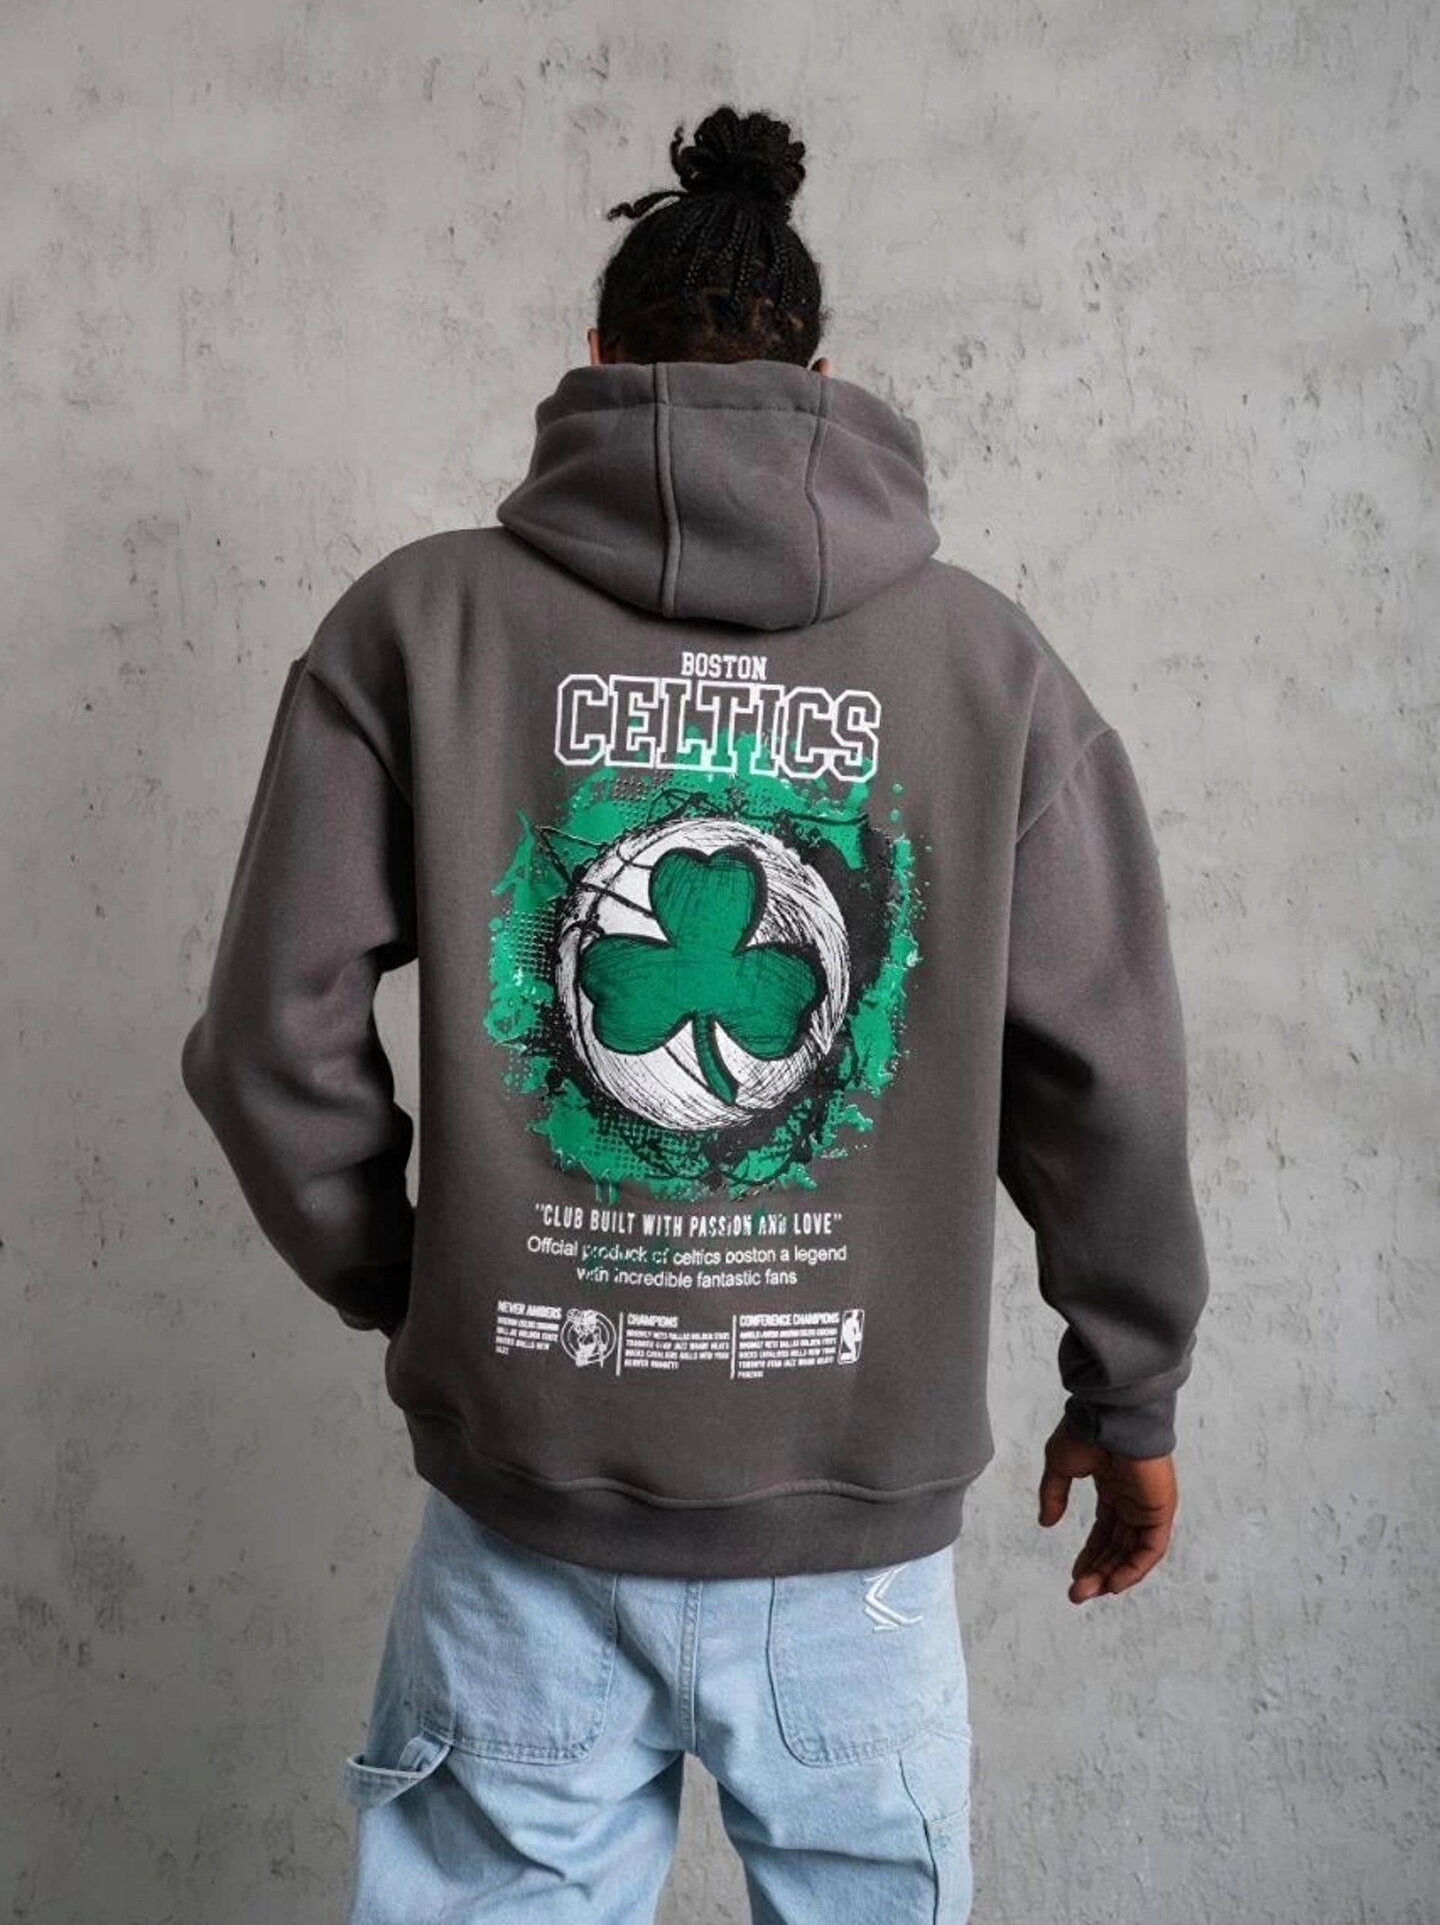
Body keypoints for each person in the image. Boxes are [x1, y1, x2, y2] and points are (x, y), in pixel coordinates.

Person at [181, 104, 1210, 1923]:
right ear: (820, 377)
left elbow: (271, 1036)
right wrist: (1129, 1395)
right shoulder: (992, 670)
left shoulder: (419, 627)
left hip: (523, 1511)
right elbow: (1106, 1083)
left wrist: (415, 1285)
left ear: (598, 362)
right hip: (859, 1542)